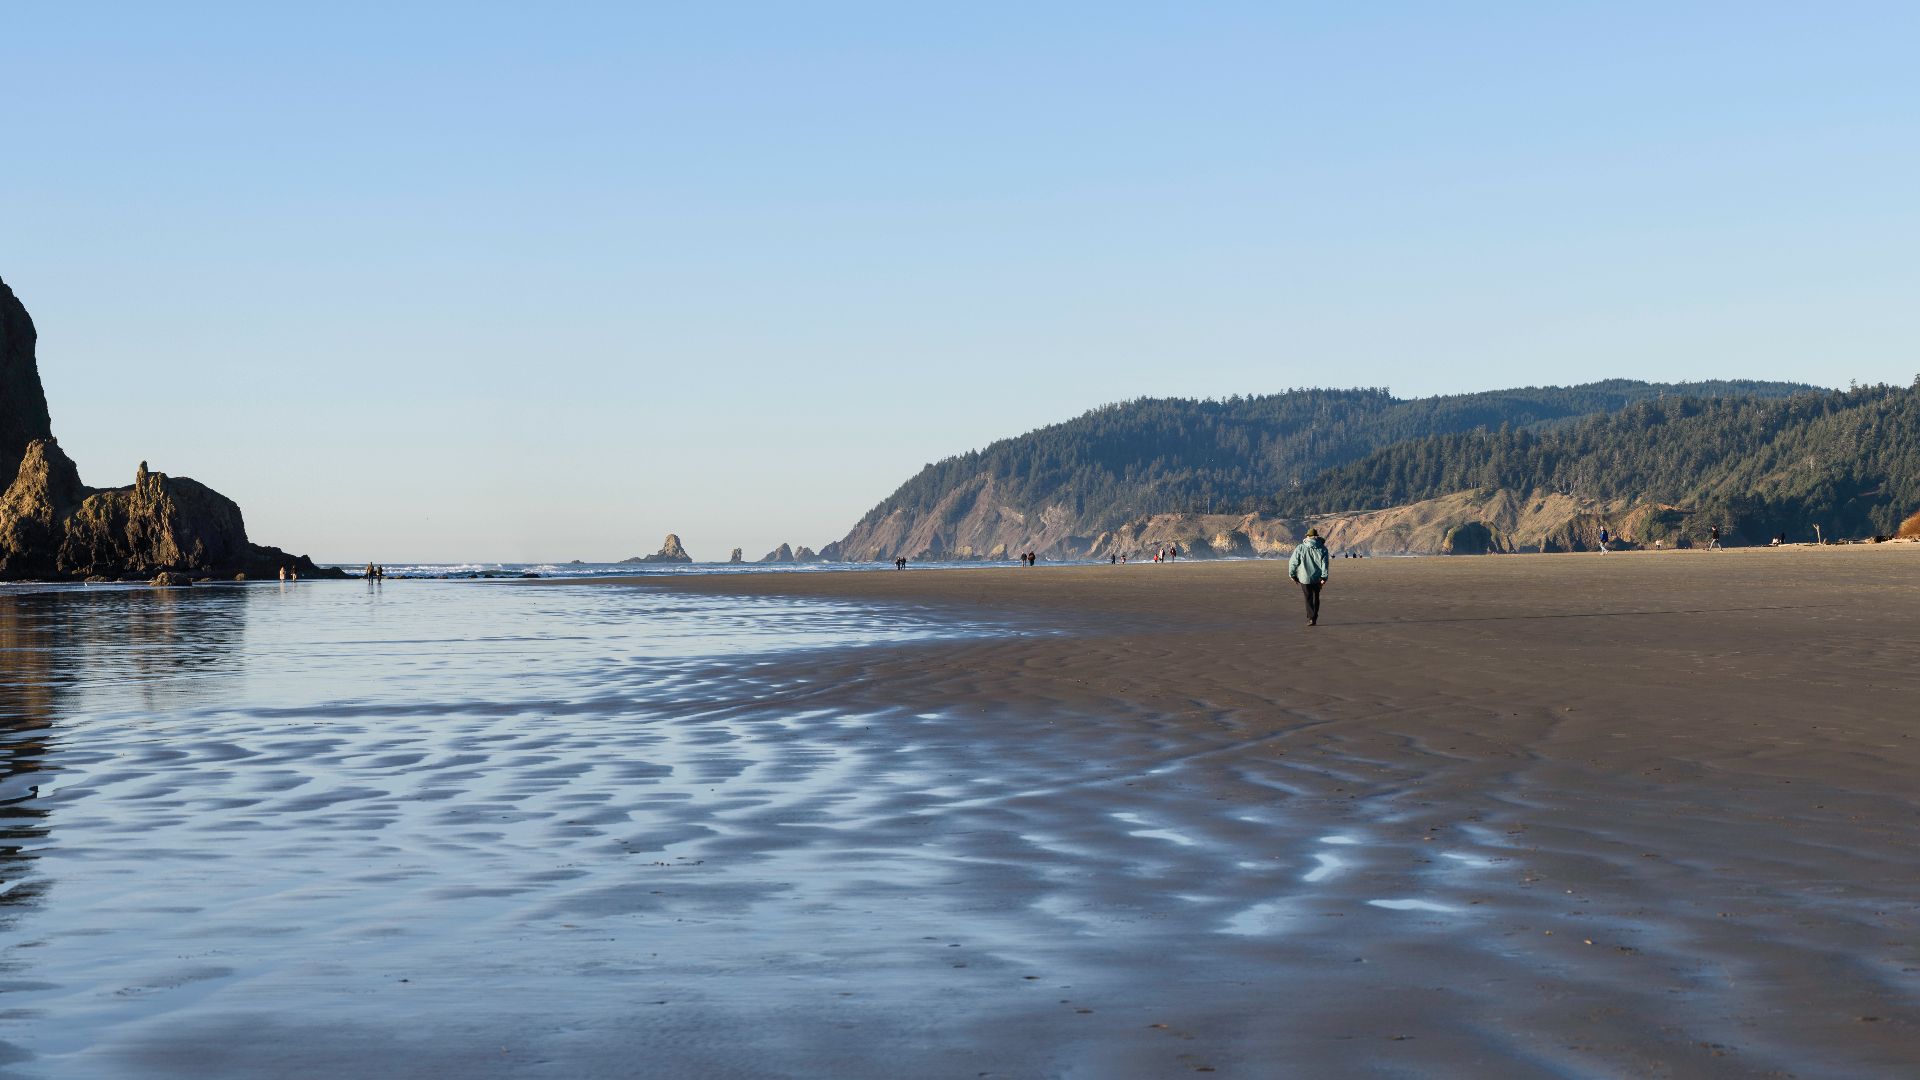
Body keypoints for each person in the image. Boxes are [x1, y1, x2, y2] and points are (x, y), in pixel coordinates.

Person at [1287, 528, 1331, 627]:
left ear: (1307, 536)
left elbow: (1293, 562)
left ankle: (1311, 618)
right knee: (1316, 597)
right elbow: (1325, 564)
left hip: (1304, 577)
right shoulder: (1323, 548)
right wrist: (1324, 577)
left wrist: (1292, 574)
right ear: (1317, 536)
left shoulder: (1300, 548)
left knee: (1308, 598)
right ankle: (1314, 617)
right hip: (1318, 578)